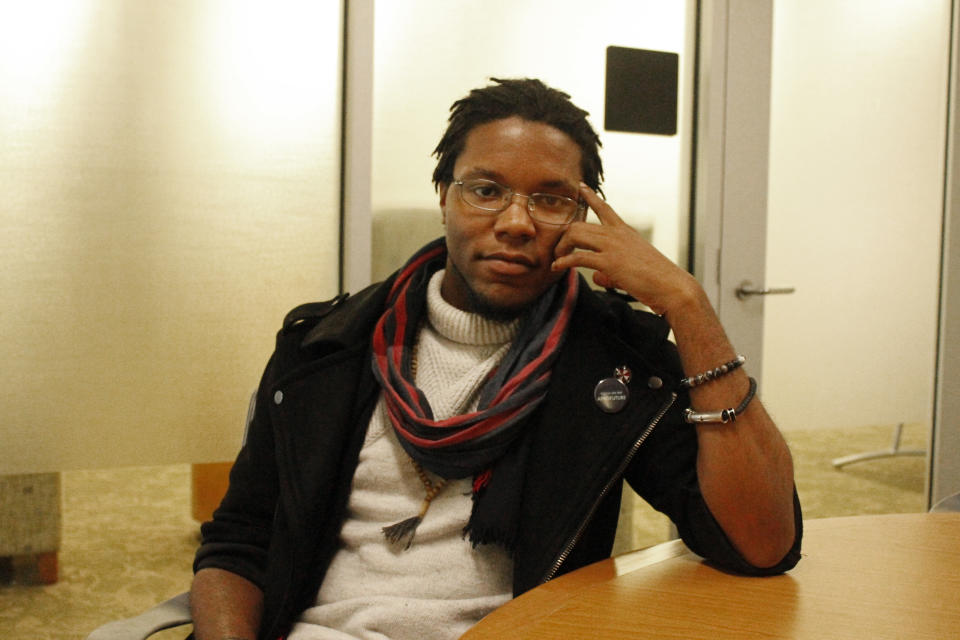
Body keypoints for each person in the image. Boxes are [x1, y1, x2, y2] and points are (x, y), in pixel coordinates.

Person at [190, 77, 801, 640]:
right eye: (486, 190)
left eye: (551, 200)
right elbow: (239, 543)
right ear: (444, 198)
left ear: (582, 218)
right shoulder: (326, 347)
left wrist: (689, 307)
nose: (515, 222)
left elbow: (759, 543)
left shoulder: (613, 361)